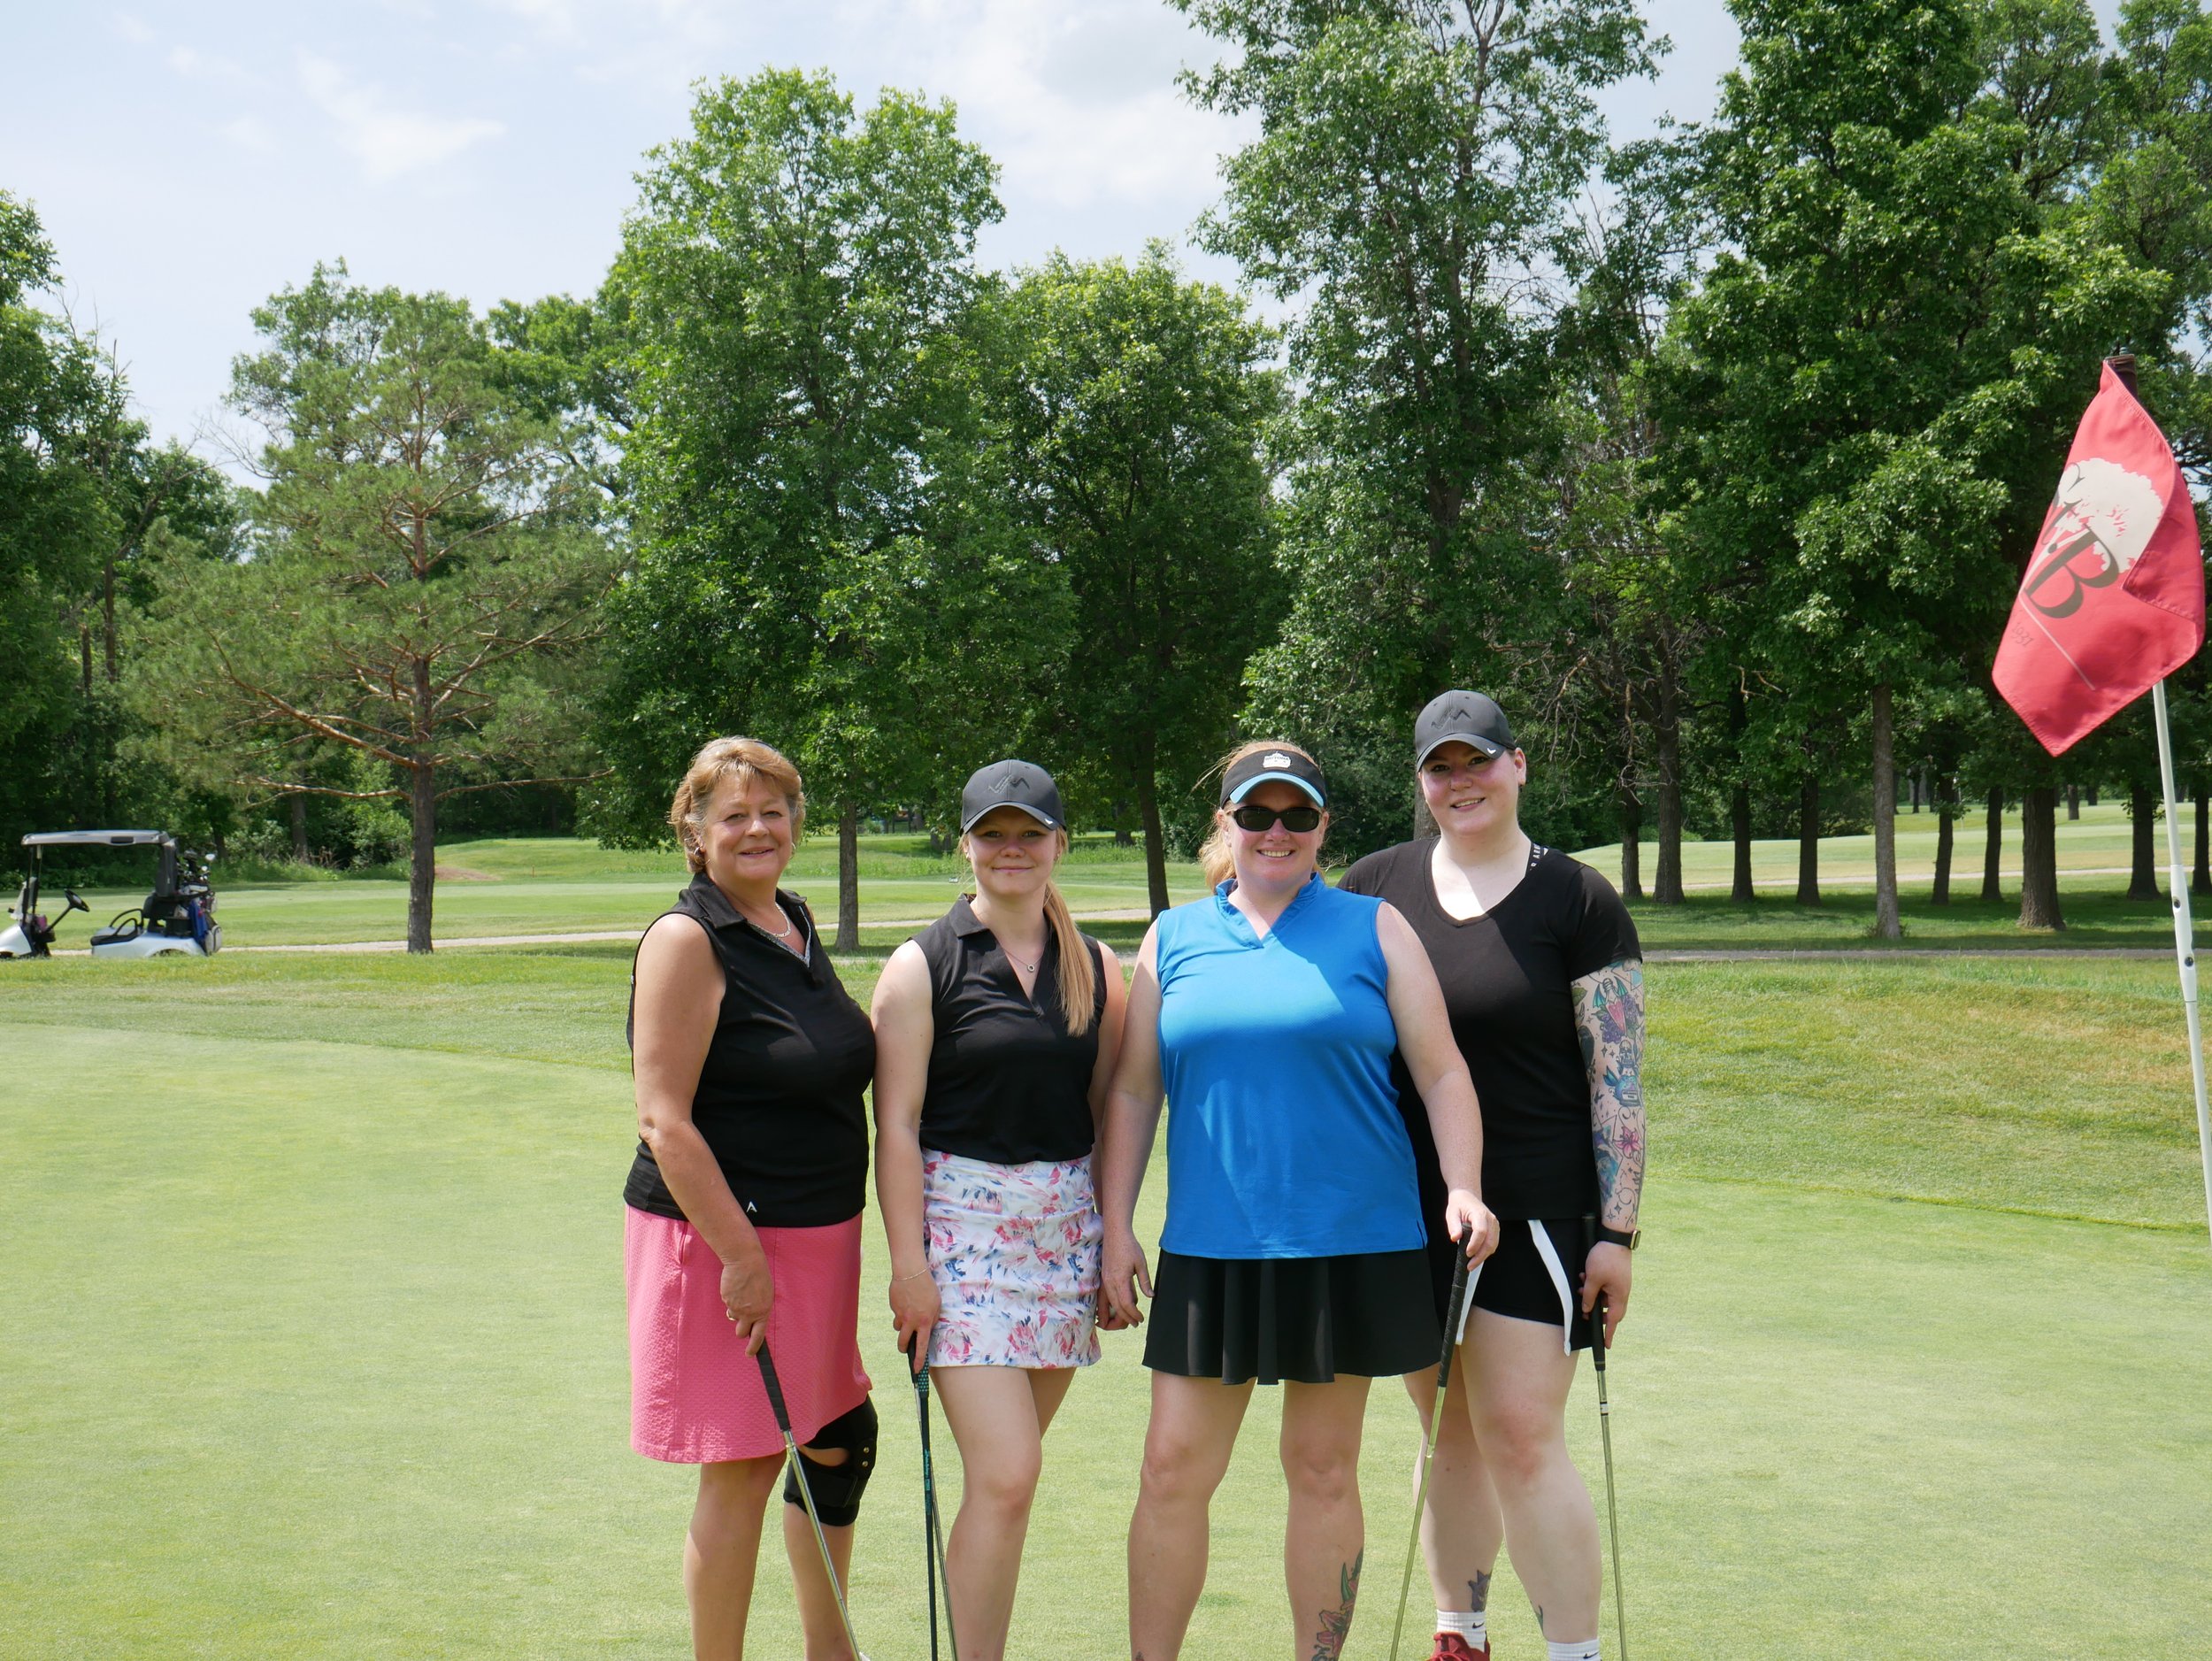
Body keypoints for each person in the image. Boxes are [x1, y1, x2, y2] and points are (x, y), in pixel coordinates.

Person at [1097, 740, 1500, 1661]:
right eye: (1255, 814)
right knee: (1170, 1469)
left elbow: (1442, 1073)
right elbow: (1130, 1092)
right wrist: (1115, 1222)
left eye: (1296, 816)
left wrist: (1465, 1185)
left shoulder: (1374, 926)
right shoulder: (1172, 936)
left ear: (1322, 825)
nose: (1275, 833)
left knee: (1321, 1469)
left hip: (1350, 1240)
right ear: (1226, 824)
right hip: (1213, 1242)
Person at [1338, 691, 1647, 1661]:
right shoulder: (1374, 885)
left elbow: (1619, 1077)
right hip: (1409, 1208)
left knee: (1519, 1432)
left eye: (1478, 761)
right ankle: (1458, 1635)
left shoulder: (1577, 897)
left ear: (1517, 766)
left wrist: (1617, 1232)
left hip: (1541, 1210)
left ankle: (1572, 1650)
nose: (1459, 780)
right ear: (1421, 780)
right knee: (1448, 1429)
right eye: (1440, 766)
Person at [622, 736, 879, 1661]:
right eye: (733, 814)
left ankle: (829, 1649)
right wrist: (740, 1258)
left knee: (831, 1434)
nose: (757, 827)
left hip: (817, 1237)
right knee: (743, 1462)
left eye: (773, 810)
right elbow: (665, 1119)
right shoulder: (688, 938)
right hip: (729, 1237)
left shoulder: (792, 919)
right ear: (694, 830)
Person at [872, 758, 1129, 1659]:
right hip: (959, 1239)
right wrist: (909, 1265)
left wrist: (1110, 1240)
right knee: (1010, 1470)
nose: (1010, 849)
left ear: (1058, 842)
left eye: (1029, 833)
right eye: (993, 833)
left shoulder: (1096, 967)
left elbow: (1105, 1114)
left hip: (1062, 1236)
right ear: (966, 843)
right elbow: (895, 1127)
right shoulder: (920, 966)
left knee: (1003, 1486)